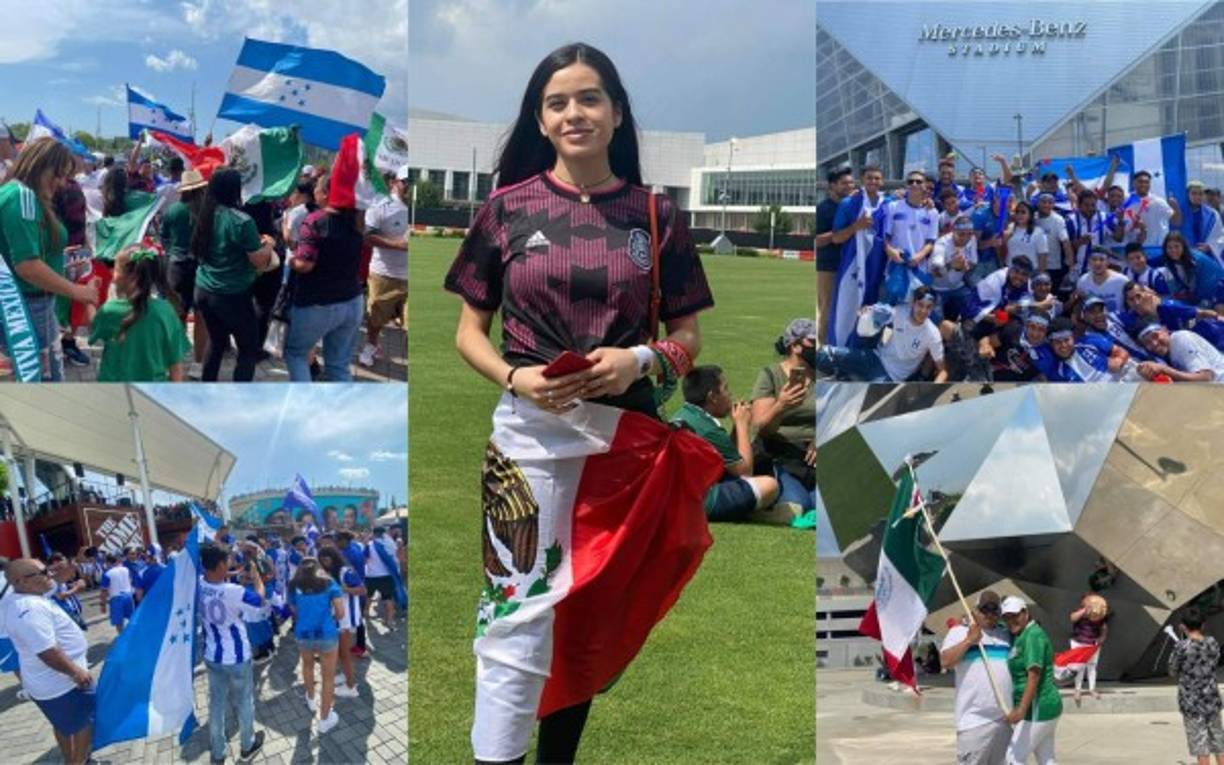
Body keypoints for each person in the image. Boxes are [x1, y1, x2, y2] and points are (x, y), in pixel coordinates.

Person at [444, 42, 719, 765]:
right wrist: (515, 378)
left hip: (621, 447)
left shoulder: (656, 215)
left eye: (589, 98)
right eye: (558, 102)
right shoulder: (505, 210)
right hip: (528, 439)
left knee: (585, 611)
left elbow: (688, 336)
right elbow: (469, 332)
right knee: (513, 613)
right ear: (540, 119)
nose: (575, 113)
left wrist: (640, 360)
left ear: (616, 112)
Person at [0, 138, 101, 381]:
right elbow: (27, 266)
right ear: (41, 166)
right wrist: (78, 292)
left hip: (32, 304)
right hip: (29, 306)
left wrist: (61, 259)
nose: (62, 183)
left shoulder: (22, 195)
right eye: (59, 175)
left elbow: (25, 251)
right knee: (45, 380)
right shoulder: (22, 197)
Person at [3, 559, 94, 765]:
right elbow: (47, 652)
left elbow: (59, 579)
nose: (49, 575)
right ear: (21, 581)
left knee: (63, 725)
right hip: (62, 683)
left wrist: (73, 563)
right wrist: (76, 672)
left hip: (50, 683)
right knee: (85, 721)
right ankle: (80, 762)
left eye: (48, 569)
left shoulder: (26, 594)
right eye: (43, 572)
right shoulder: (29, 609)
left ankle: (71, 760)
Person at [190, 168, 276, 382]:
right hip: (231, 294)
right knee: (248, 348)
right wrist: (269, 245)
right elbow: (258, 260)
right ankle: (239, 394)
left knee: (216, 341)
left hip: (203, 289)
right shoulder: (242, 221)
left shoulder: (204, 214)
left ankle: (207, 384)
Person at [283, 171, 364, 381]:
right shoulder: (356, 219)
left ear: (327, 193)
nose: (314, 191)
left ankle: (304, 401)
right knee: (338, 365)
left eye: (318, 187)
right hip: (352, 300)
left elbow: (305, 264)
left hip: (318, 303)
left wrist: (291, 260)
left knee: (296, 354)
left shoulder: (315, 220)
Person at [672, 365, 781, 522]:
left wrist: (736, 427)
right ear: (712, 396)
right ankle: (752, 513)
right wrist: (742, 425)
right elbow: (744, 472)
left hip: (678, 496)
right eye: (725, 389)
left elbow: (730, 458)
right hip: (699, 501)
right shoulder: (708, 429)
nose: (730, 395)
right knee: (769, 485)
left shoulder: (686, 415)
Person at [198, 542, 267, 763]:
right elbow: (260, 600)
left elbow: (214, 578)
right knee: (244, 702)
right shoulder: (234, 592)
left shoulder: (198, 584)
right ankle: (247, 746)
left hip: (212, 655)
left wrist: (236, 573)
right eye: (227, 562)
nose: (230, 565)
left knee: (216, 704)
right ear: (220, 564)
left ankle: (218, 751)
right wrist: (256, 577)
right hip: (236, 658)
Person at [88, 244, 190, 381]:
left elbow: (93, 324)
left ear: (130, 277)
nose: (112, 274)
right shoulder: (166, 311)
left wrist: (88, 299)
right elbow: (175, 364)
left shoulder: (110, 310)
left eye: (116, 269)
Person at [939, 590, 1013, 765]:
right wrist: (968, 641)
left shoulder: (1005, 635)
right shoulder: (959, 632)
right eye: (984, 609)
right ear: (974, 612)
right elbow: (946, 661)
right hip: (974, 723)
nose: (989, 614)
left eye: (994, 610)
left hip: (1004, 720)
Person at [815, 287, 947, 382]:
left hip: (890, 376)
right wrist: (869, 311)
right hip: (875, 357)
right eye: (920, 305)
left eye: (928, 307)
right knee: (823, 354)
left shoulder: (932, 333)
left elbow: (942, 371)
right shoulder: (901, 311)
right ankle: (842, 373)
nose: (923, 311)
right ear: (913, 303)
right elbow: (883, 312)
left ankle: (848, 374)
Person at [751, 318, 815, 511]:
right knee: (799, 505)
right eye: (813, 342)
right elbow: (762, 429)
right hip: (781, 456)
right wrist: (781, 406)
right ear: (795, 346)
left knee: (823, 508)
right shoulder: (771, 375)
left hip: (815, 458)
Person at [1000, 595, 1062, 765]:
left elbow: (1033, 675)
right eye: (1006, 617)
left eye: (1015, 615)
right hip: (1045, 706)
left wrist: (1021, 710)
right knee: (1046, 758)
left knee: (1013, 758)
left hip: (1038, 707)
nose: (1011, 621)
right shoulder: (1022, 634)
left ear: (1026, 613)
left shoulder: (1032, 636)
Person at [287, 556, 345, 734]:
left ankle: (311, 698)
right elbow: (340, 613)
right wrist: (330, 618)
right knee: (328, 677)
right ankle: (325, 719)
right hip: (326, 633)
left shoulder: (293, 585)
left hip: (304, 633)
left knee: (307, 665)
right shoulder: (329, 583)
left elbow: (294, 610)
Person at [361, 165, 410, 367]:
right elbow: (368, 237)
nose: (409, 186)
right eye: (406, 182)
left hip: (412, 277)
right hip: (384, 274)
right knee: (376, 319)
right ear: (395, 183)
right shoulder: (380, 206)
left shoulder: (417, 208)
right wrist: (398, 245)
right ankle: (371, 345)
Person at [161, 168, 209, 369]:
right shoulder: (208, 211)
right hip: (202, 268)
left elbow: (164, 238)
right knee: (201, 318)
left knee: (177, 317)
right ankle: (198, 364)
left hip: (176, 267)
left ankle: (176, 363)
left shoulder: (172, 210)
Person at [1169, 608, 1224, 765]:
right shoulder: (1212, 642)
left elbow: (1172, 670)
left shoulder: (1181, 647)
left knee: (1200, 743)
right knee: (1218, 739)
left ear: (1182, 626)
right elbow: (1215, 661)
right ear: (1203, 625)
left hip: (1191, 702)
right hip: (1211, 699)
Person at [816, 167, 853, 343]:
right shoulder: (823, 209)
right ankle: (824, 347)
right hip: (828, 267)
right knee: (828, 308)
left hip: (851, 266)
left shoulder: (854, 206)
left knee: (848, 309)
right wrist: (840, 233)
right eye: (844, 183)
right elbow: (817, 241)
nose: (849, 186)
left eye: (851, 183)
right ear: (832, 186)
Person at [1136, 321, 1224, 382]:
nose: (1154, 344)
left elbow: (1206, 378)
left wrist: (1164, 369)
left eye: (1155, 336)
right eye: (1147, 343)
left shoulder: (1181, 338)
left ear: (1165, 330)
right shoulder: (1167, 354)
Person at [929, 216, 979, 322]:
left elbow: (973, 262)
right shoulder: (941, 244)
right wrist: (951, 265)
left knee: (972, 311)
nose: (965, 238)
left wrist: (965, 266)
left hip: (958, 286)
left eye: (969, 234)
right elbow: (935, 272)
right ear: (953, 231)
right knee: (938, 322)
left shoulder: (972, 239)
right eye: (961, 234)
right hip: (939, 289)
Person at [1165, 231, 1224, 311]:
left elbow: (1194, 289)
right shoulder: (1170, 261)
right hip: (1204, 294)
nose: (1173, 250)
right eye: (1169, 247)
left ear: (1183, 246)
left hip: (1217, 291)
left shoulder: (1194, 260)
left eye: (1176, 246)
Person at [1067, 594, 1108, 706]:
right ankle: (1077, 690)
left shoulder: (1099, 613)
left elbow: (1104, 627)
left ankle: (1092, 689)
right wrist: (1084, 610)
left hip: (1093, 643)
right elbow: (1072, 618)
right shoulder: (1079, 611)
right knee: (1079, 667)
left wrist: (1102, 637)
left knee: (1092, 667)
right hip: (1078, 642)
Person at [1126, 170, 1181, 249]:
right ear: (1134, 183)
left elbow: (1176, 222)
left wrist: (1175, 207)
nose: (1143, 184)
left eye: (1146, 182)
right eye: (1140, 182)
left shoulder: (1158, 202)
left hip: (1156, 247)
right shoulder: (1125, 200)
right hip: (1134, 248)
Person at [364, 525, 402, 626]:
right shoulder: (390, 544)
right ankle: (390, 620)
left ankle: (366, 614)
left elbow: (365, 560)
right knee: (388, 598)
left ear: (373, 533)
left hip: (372, 576)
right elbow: (396, 557)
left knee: (369, 596)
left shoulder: (369, 545)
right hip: (387, 576)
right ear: (383, 534)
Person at [1076, 247, 1130, 312]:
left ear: (1108, 262)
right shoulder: (1082, 281)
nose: (1097, 263)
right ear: (1089, 261)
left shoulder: (1122, 281)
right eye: (1094, 259)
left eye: (1102, 259)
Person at [1002, 202, 1049, 271]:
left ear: (1030, 215)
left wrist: (1041, 273)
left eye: (1023, 212)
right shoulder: (1010, 227)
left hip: (1030, 271)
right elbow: (1002, 249)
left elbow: (1043, 255)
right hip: (1010, 270)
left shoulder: (1038, 232)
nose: (1019, 215)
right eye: (1017, 212)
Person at [98, 554, 134, 632]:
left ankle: (122, 637)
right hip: (128, 595)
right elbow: (130, 580)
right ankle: (133, 634)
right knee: (131, 618)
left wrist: (103, 605)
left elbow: (103, 591)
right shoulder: (126, 569)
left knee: (119, 623)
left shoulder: (107, 573)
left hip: (116, 597)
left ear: (108, 562)